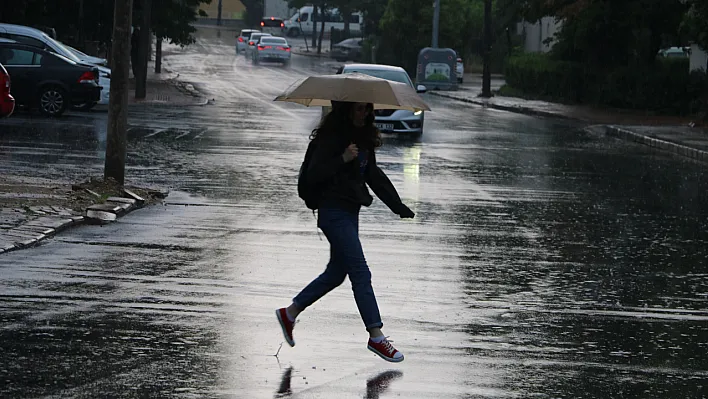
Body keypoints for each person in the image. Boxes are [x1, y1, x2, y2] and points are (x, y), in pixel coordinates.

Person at [276, 101, 415, 363]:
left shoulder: (361, 139)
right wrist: (342, 158)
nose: (365, 113)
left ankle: (289, 313)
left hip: (350, 213)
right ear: (347, 110)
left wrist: (397, 206)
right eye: (359, 109)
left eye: (367, 109)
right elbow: (314, 175)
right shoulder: (331, 139)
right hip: (332, 212)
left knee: (336, 273)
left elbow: (373, 175)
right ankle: (376, 336)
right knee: (360, 271)